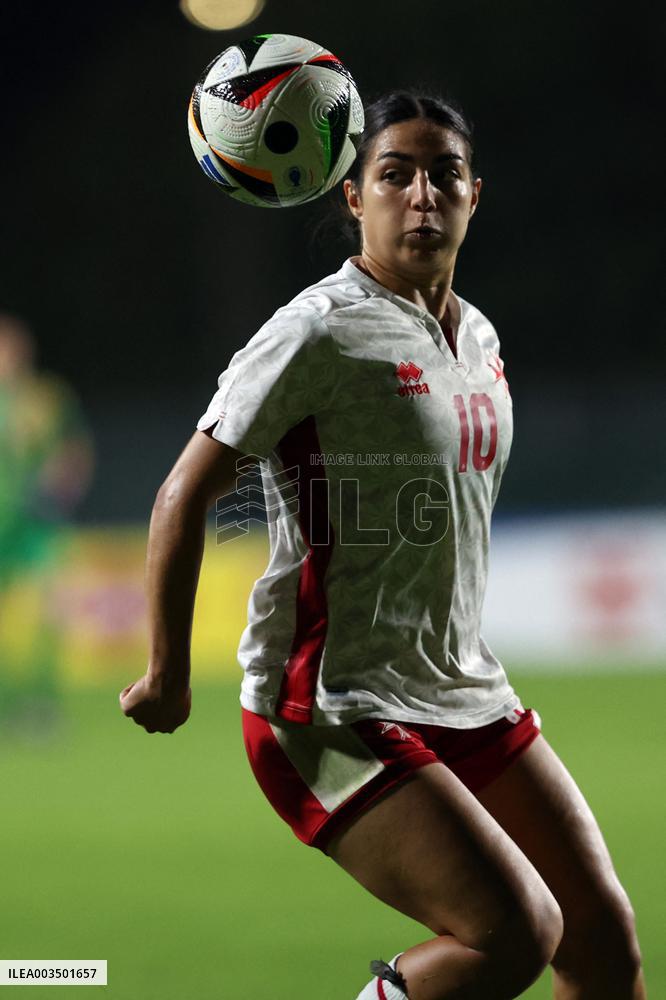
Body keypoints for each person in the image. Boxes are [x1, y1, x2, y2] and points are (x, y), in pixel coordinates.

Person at [119, 91, 646, 999]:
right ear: (354, 200)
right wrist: (169, 672)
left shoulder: (476, 335)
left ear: (474, 196)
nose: (422, 194)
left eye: (444, 174)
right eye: (394, 174)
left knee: (602, 942)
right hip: (330, 702)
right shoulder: (317, 328)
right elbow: (182, 494)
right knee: (514, 932)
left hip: (461, 686)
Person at [0, 313, 93, 735]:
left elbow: (74, 451)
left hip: (36, 525)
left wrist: (61, 483)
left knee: (49, 611)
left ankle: (42, 705)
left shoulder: (47, 398)